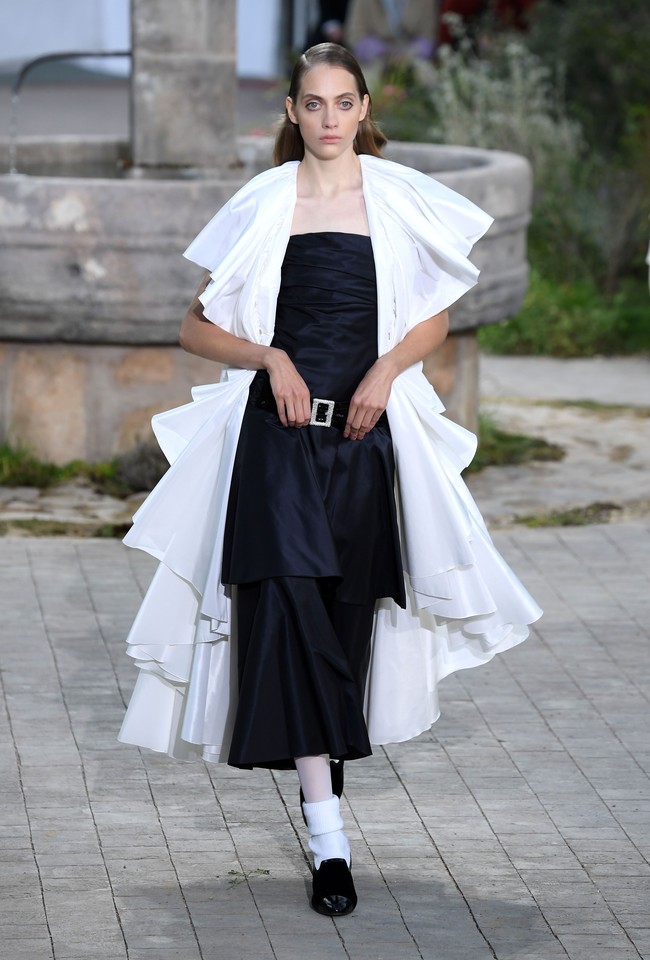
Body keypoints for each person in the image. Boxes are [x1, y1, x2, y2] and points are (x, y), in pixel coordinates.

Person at [118, 42, 542, 917]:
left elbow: (435, 317)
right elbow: (194, 329)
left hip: (365, 440)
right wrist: (269, 356)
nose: (328, 120)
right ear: (290, 111)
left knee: (345, 619)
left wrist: (385, 374)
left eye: (342, 103)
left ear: (363, 106)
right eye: (312, 105)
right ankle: (329, 840)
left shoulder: (395, 196)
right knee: (285, 605)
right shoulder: (263, 203)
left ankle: (324, 783)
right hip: (274, 444)